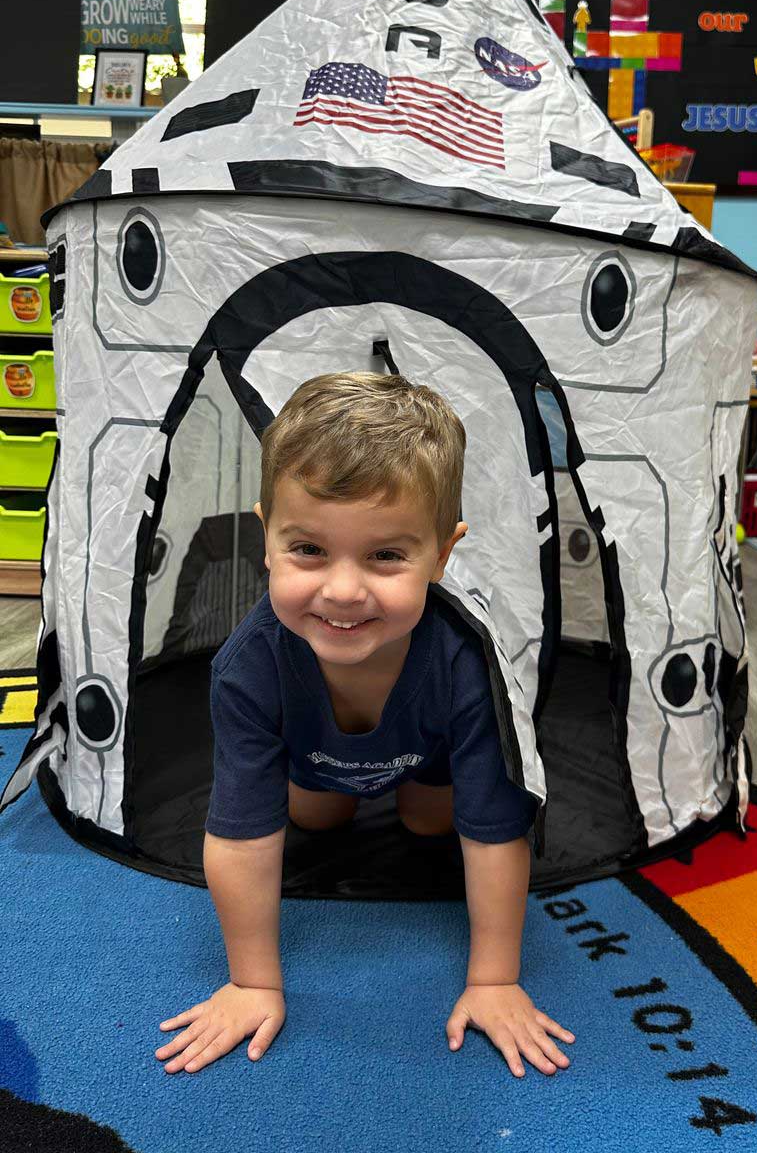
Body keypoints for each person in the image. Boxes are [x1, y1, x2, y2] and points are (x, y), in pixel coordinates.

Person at [155, 372, 574, 1079]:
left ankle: (402, 791)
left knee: (430, 826)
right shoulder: (246, 669)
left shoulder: (467, 667)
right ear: (266, 539)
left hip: (425, 756)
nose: (343, 591)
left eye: (385, 556)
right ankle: (337, 791)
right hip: (315, 761)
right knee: (315, 820)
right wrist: (253, 982)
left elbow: (495, 834)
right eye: (309, 550)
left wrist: (494, 978)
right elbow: (242, 835)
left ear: (443, 554)